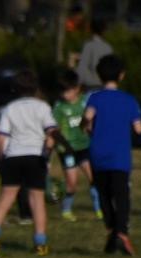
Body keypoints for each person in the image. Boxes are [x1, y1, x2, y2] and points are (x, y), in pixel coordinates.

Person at [0, 69, 64, 256]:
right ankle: (40, 243)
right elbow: (51, 133)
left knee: (6, 198)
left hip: (13, 156)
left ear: (14, 89)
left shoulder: (10, 108)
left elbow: (2, 137)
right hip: (35, 155)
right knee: (36, 200)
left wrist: (2, 156)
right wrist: (47, 152)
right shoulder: (42, 107)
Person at [83, 54, 141, 255]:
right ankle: (122, 232)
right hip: (120, 156)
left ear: (100, 76)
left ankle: (112, 231)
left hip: (98, 154)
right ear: (122, 75)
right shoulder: (129, 100)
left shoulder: (95, 98)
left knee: (103, 194)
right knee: (122, 195)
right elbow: (139, 129)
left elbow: (87, 118)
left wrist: (89, 128)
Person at [52, 69, 100, 223]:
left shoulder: (85, 102)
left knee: (94, 178)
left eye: (67, 90)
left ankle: (99, 208)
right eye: (61, 91)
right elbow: (54, 130)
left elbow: (91, 119)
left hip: (84, 146)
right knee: (72, 184)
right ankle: (66, 209)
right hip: (67, 150)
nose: (64, 94)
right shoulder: (59, 107)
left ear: (76, 89)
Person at [75, 18, 112, 89]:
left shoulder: (88, 45)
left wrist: (78, 84)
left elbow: (82, 68)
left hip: (89, 85)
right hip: (104, 85)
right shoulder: (108, 47)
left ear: (91, 29)